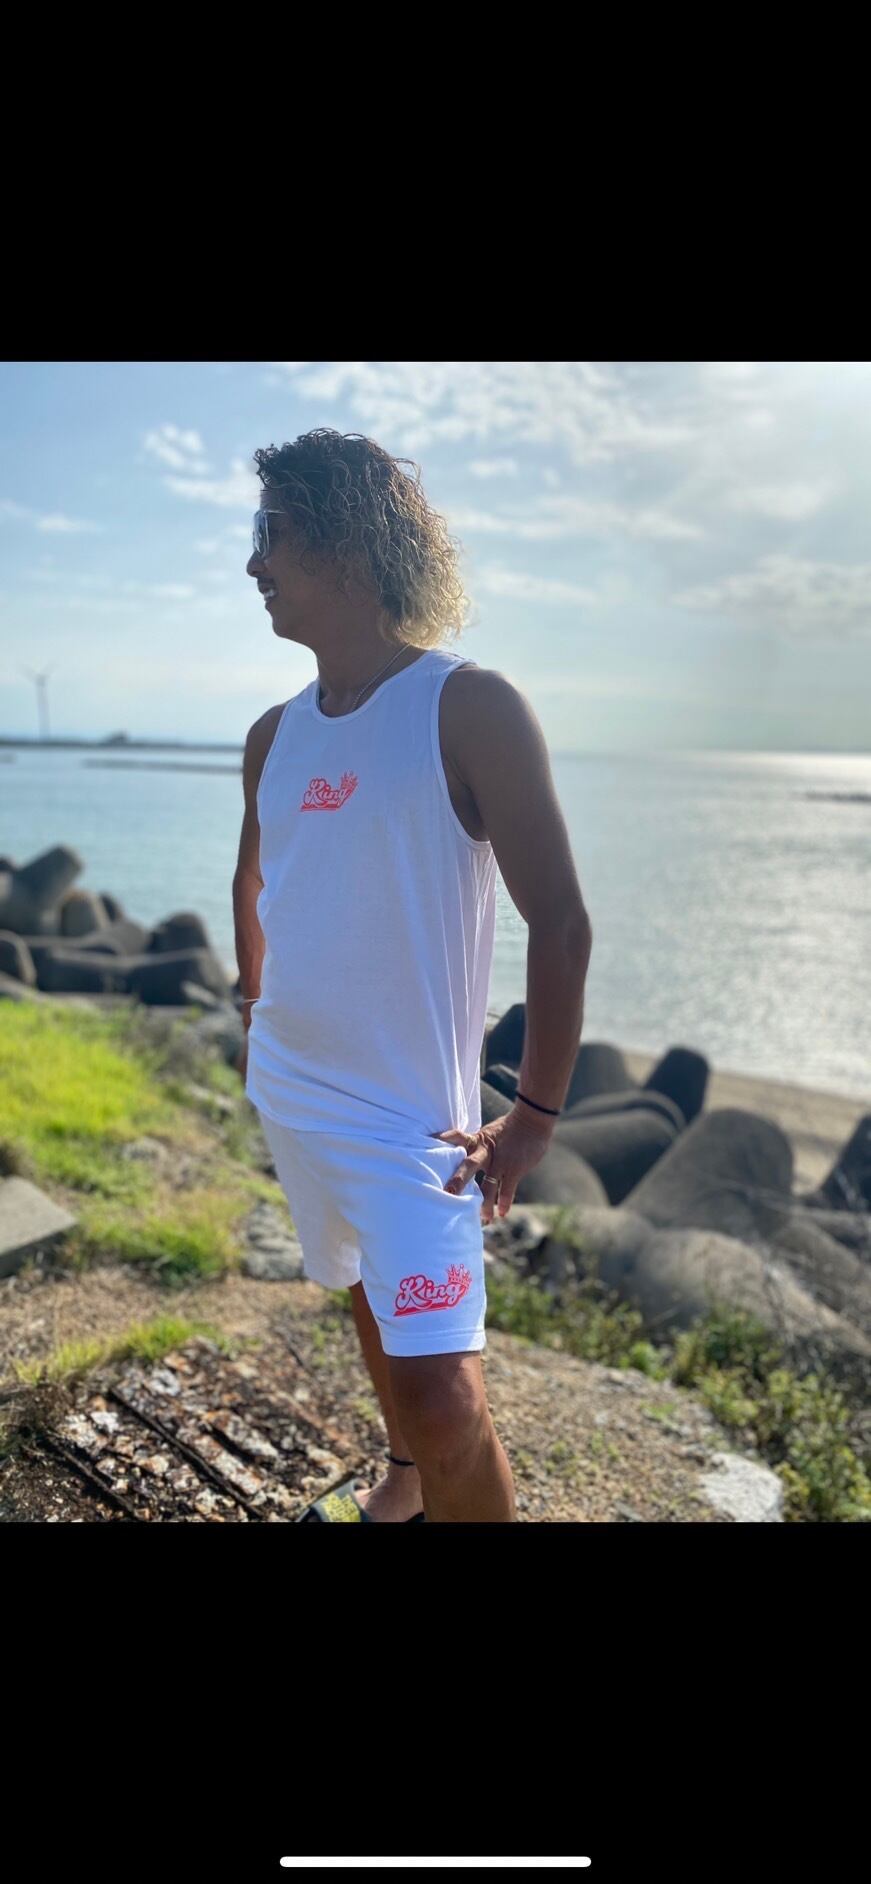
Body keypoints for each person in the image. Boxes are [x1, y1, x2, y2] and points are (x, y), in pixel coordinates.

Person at [233, 428, 593, 1522]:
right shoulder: (272, 735)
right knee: (362, 1283)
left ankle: (425, 1467)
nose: (253, 562)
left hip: (413, 1121)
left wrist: (533, 1115)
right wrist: (256, 1008)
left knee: (445, 1398)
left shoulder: (469, 708)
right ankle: (401, 1482)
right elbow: (256, 879)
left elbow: (561, 925)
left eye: (270, 533)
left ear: (343, 540)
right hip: (295, 1087)